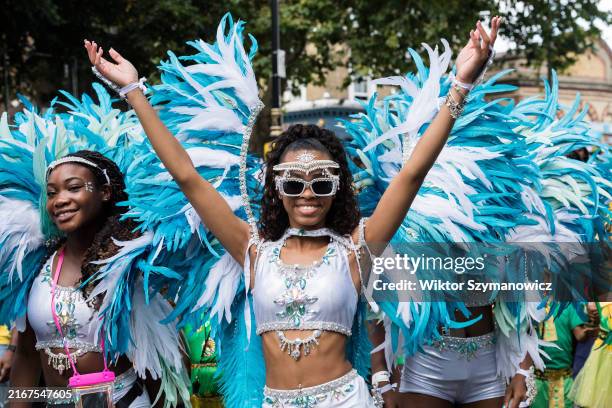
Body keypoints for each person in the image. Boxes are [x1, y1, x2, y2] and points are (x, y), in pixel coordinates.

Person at [83, 14, 502, 407]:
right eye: (293, 184)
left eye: (321, 184)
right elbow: (188, 177)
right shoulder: (252, 250)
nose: (307, 194)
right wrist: (133, 92)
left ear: (337, 190)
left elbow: (411, 175)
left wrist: (461, 85)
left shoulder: (357, 249)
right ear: (276, 190)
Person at [8, 150, 159, 407]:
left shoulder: (128, 265)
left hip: (123, 400)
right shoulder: (36, 265)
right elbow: (26, 353)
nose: (59, 200)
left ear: (105, 192)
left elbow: (161, 359)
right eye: (52, 192)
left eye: (74, 188)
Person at [532, 304, 595, 408]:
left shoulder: (568, 304)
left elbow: (580, 335)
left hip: (563, 380)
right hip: (537, 381)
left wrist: (593, 323)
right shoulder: (532, 304)